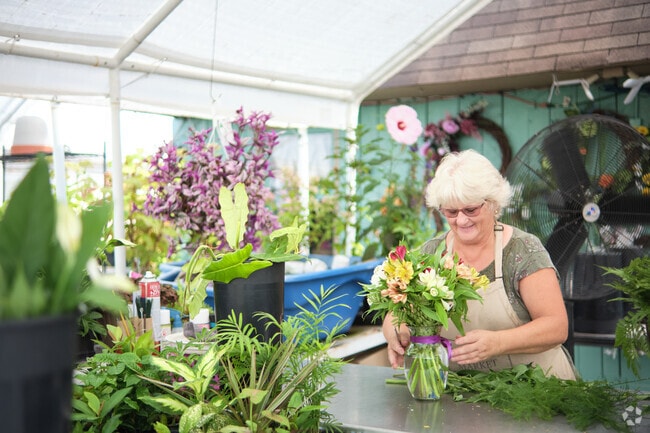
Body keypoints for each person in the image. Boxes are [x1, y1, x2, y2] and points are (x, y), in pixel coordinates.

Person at [382, 149, 577, 380]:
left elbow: (556, 327)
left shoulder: (522, 250)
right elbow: (398, 314)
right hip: (467, 396)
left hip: (538, 390)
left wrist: (498, 342)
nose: (461, 220)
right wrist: (397, 333)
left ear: (493, 203)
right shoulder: (430, 254)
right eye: (451, 212)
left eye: (471, 209)